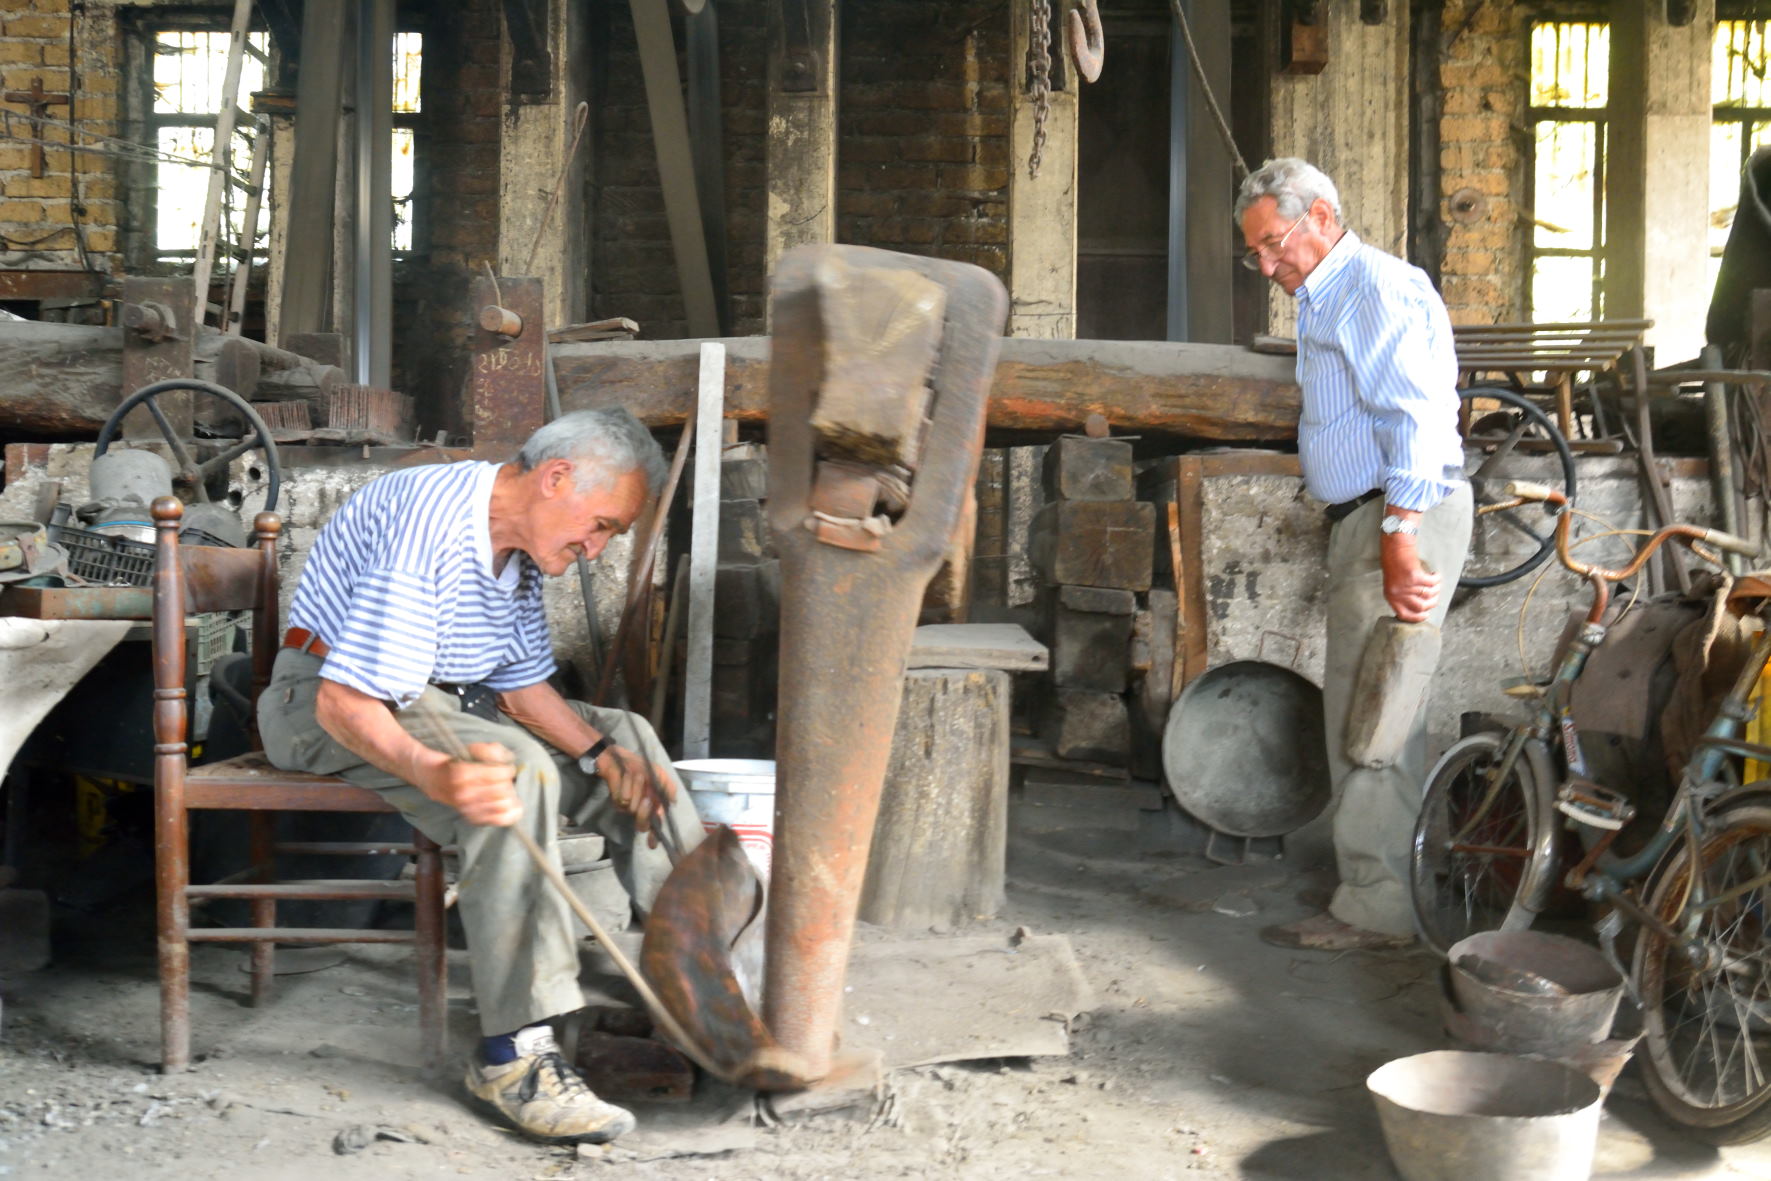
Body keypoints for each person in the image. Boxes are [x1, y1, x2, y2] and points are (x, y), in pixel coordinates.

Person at [256, 408, 704, 1142]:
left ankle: (689, 978)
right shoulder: (430, 523)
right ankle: (513, 1056)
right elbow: (345, 700)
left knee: (634, 739)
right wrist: (432, 771)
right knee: (516, 772)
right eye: (601, 525)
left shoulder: (515, 545)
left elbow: (519, 688)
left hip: (432, 696)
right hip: (320, 700)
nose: (595, 549)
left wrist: (599, 752)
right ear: (556, 478)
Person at [1234, 157, 1474, 952]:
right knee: (1372, 710)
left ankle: (1376, 910)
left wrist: (1399, 533)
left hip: (1397, 515)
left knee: (1375, 716)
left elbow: (1415, 415)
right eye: (1256, 253)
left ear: (1323, 219)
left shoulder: (1372, 286)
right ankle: (1382, 887)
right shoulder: (1326, 295)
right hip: (1370, 517)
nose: (1267, 265)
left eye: (1275, 244)